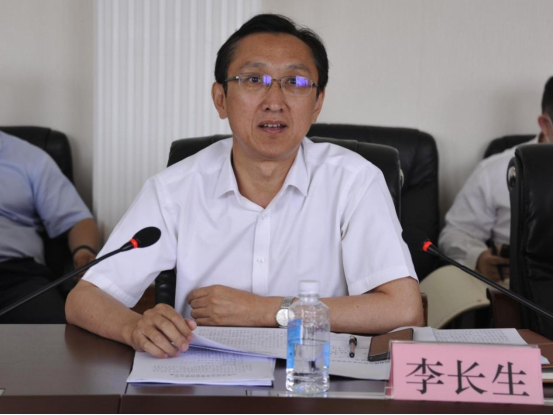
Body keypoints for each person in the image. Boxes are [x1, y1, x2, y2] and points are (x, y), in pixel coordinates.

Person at [67, 14, 423, 359]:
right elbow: (84, 298)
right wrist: (134, 328)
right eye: (254, 79)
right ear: (221, 99)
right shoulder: (175, 188)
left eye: (295, 82)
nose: (274, 101)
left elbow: (404, 309)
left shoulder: (354, 181)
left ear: (317, 103)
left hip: (314, 377)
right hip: (203, 381)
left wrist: (265, 310)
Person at [439, 76, 553, 282]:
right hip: (518, 288)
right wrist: (479, 258)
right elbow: (454, 234)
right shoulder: (496, 170)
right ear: (545, 124)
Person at [0, 130, 100, 324]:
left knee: (54, 334)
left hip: (17, 277)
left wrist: (84, 251)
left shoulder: (30, 158)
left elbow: (77, 220)